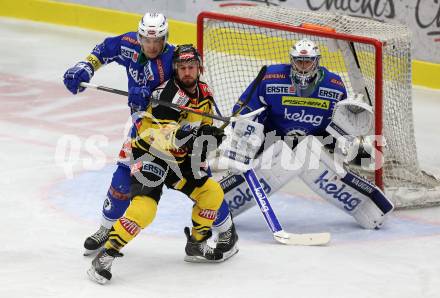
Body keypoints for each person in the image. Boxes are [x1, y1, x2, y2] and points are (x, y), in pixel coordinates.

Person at [62, 13, 237, 257]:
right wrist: (86, 66)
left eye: (158, 41)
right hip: (143, 131)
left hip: (178, 132)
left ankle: (226, 229)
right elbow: (104, 49)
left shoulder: (172, 60)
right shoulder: (129, 44)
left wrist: (154, 99)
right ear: (139, 36)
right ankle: (106, 228)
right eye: (147, 40)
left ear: (166, 38)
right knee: (123, 180)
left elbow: (189, 88)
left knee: (204, 182)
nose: (152, 46)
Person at [87, 44, 236, 284]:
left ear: (199, 68)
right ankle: (106, 255)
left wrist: (208, 140)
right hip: (151, 155)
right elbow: (162, 138)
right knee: (145, 209)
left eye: (191, 67)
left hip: (181, 159)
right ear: (175, 70)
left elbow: (199, 133)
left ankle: (197, 244)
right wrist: (195, 135)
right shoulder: (168, 95)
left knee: (212, 192)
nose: (187, 72)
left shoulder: (205, 93)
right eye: (182, 68)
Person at [219, 38, 394, 230]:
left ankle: (368, 203)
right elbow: (245, 108)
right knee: (243, 150)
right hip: (273, 137)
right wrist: (245, 138)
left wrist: (345, 141)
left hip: (316, 140)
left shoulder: (334, 85)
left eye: (308, 61)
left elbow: (341, 122)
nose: (303, 66)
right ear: (291, 60)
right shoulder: (270, 77)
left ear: (317, 61)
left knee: (343, 154)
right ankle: (221, 202)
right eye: (299, 61)